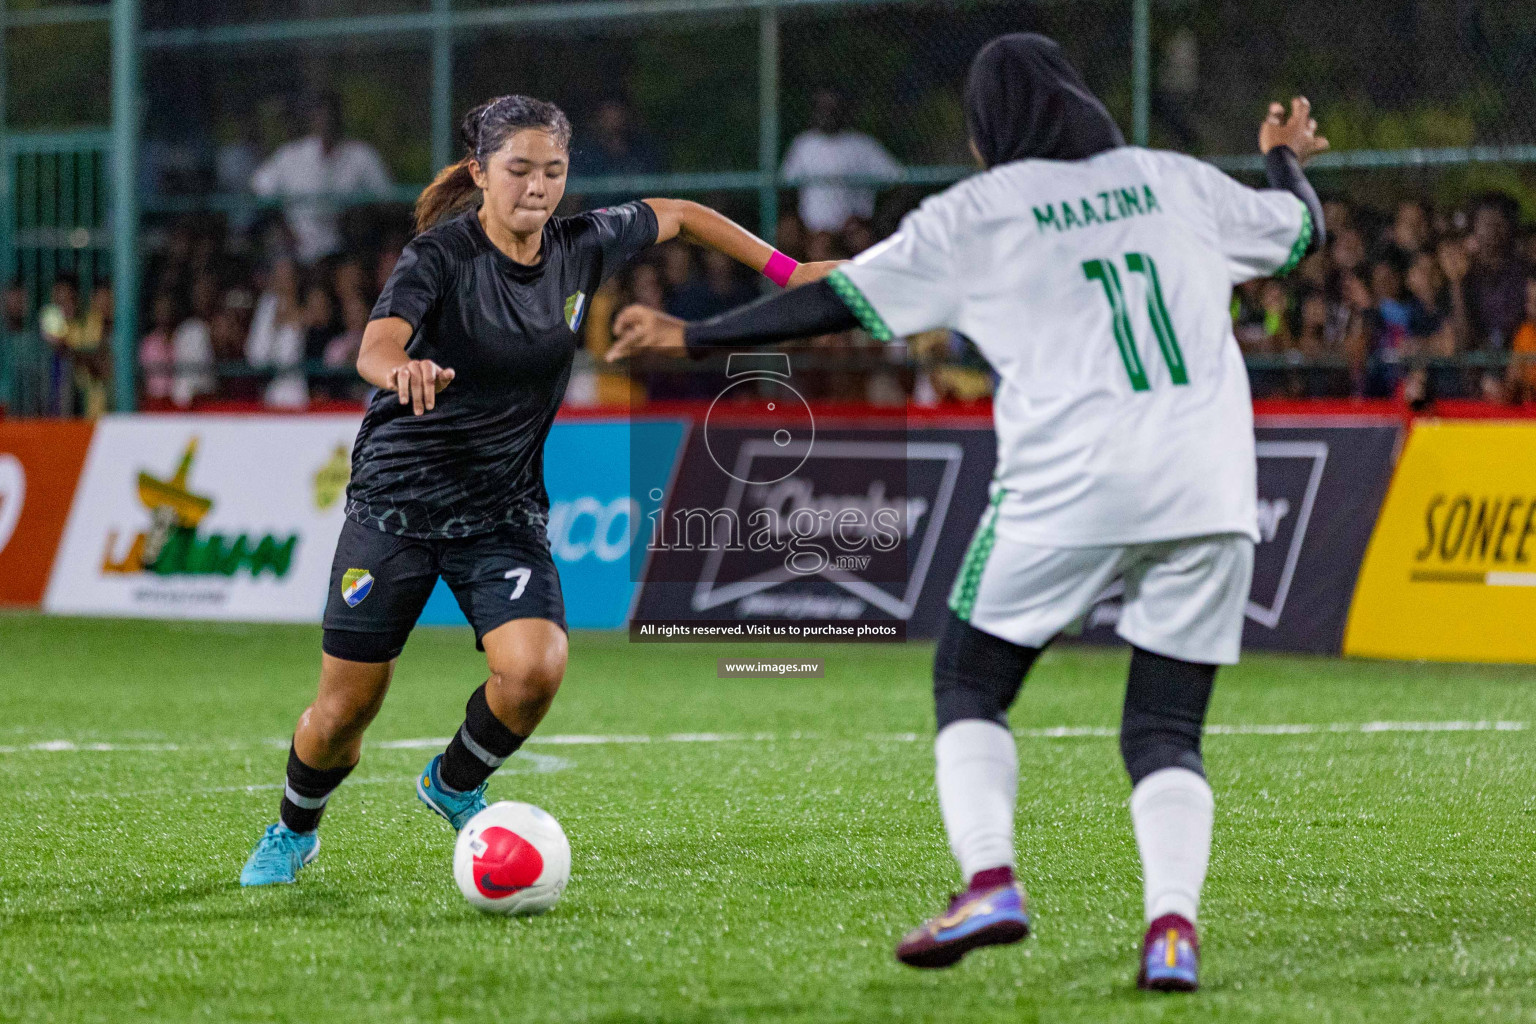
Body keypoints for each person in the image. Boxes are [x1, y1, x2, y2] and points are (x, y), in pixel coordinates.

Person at [609, 34, 1328, 991]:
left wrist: (693, 335)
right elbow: (1299, 228)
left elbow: (840, 306)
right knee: (1164, 730)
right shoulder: (1174, 180)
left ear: (991, 131)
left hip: (1069, 485)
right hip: (1210, 485)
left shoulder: (982, 212)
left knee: (970, 682)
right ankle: (1171, 932)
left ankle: (990, 879)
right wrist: (1282, 154)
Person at [238, 94, 837, 887]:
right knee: (342, 715)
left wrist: (788, 272)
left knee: (537, 669)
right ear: (481, 173)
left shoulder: (581, 247)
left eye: (553, 171)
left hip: (501, 510)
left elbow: (684, 214)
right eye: (519, 170)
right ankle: (293, 828)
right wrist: (402, 368)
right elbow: (377, 343)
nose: (538, 187)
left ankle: (452, 781)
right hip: (398, 504)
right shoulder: (439, 257)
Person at [250, 92, 393, 265]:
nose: (325, 122)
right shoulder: (290, 155)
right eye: (319, 115)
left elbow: (386, 199)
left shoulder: (361, 155)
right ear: (312, 119)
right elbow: (259, 189)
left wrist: (357, 220)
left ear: (339, 118)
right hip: (296, 253)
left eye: (330, 115)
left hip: (346, 252)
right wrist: (285, 232)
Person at [780, 88, 902, 234]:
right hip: (813, 231)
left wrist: (879, 220)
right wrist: (796, 220)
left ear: (843, 111)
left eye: (832, 109)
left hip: (853, 230)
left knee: (860, 239)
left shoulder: (863, 145)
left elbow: (902, 184)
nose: (827, 114)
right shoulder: (804, 144)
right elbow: (786, 188)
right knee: (788, 235)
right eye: (822, 108)